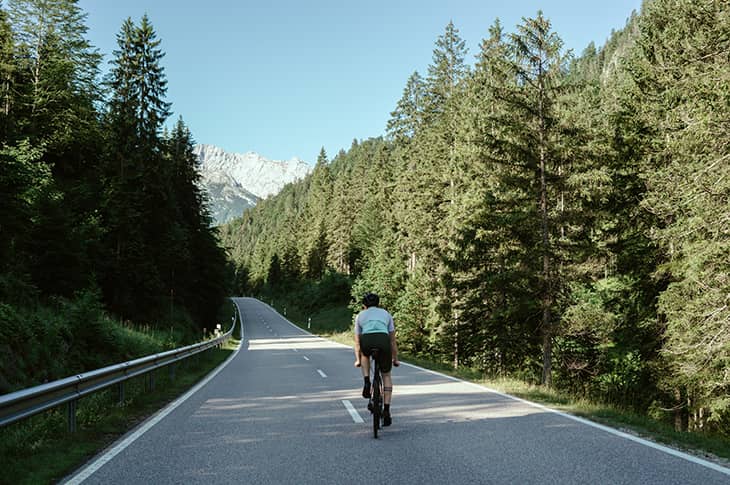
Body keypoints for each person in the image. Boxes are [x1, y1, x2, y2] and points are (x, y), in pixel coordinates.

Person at [353, 292, 399, 426]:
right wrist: (395, 359)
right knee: (386, 375)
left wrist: (357, 359)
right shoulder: (386, 314)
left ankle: (367, 381)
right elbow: (392, 341)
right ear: (378, 304)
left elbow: (357, 342)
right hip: (383, 340)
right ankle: (386, 411)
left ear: (364, 305)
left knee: (365, 354)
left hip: (367, 340)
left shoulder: (360, 316)